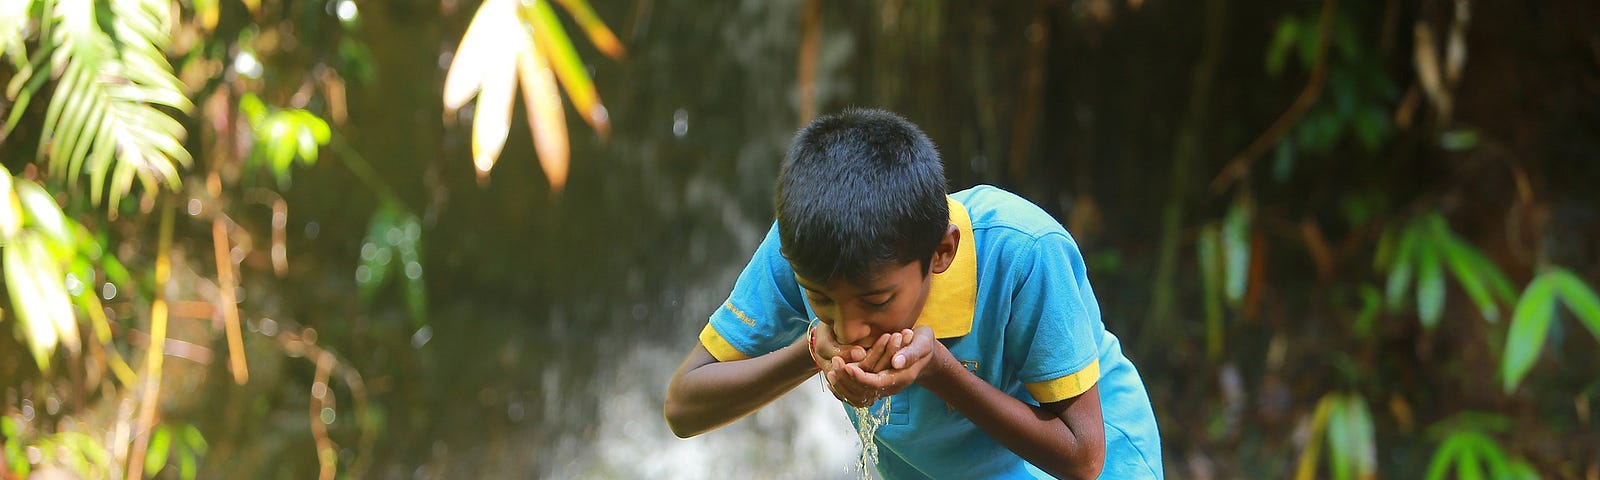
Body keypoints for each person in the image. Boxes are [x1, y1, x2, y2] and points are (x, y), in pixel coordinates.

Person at [663, 108, 1162, 479]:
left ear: (942, 253)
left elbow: (1082, 455)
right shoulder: (807, 249)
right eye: (821, 300)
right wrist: (812, 351)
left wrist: (940, 372)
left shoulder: (1024, 252)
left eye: (877, 302)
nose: (850, 327)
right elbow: (685, 405)